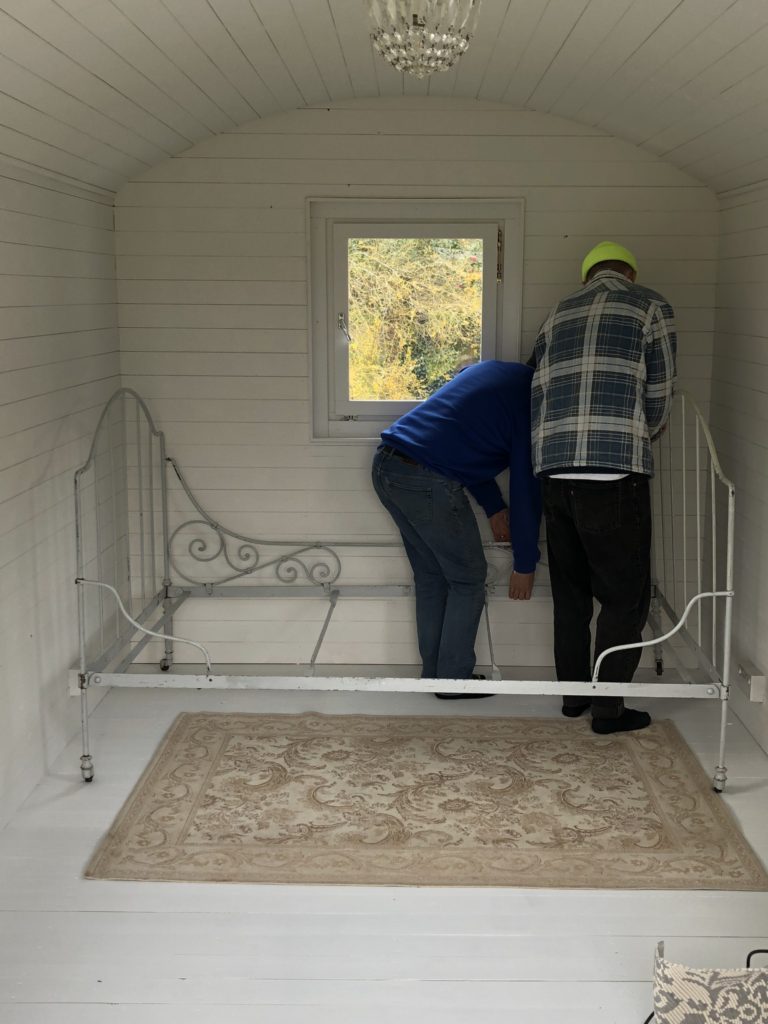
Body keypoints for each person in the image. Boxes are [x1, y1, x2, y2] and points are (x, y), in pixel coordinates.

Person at [531, 241, 677, 734]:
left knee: (571, 595)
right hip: (614, 471)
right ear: (629, 272)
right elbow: (659, 389)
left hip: (553, 470)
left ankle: (573, 698)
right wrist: (646, 433)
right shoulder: (649, 305)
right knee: (624, 598)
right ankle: (609, 710)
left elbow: (538, 385)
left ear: (586, 274)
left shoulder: (556, 313)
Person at [371, 360, 541, 695]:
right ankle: (453, 680)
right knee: (468, 579)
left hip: (387, 465)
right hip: (426, 478)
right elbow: (526, 489)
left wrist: (493, 507)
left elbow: (460, 439)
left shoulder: (491, 371)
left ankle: (436, 676)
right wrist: (525, 563)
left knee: (433, 577)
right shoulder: (530, 404)